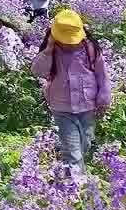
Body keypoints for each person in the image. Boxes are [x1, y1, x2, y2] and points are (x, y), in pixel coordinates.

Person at [32, 9, 110, 167]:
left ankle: (68, 169)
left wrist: (104, 97)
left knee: (85, 145)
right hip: (62, 108)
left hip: (88, 106)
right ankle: (75, 180)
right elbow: (38, 71)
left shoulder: (90, 48)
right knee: (73, 153)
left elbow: (102, 75)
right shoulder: (51, 51)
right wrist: (48, 49)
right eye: (64, 40)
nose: (68, 44)